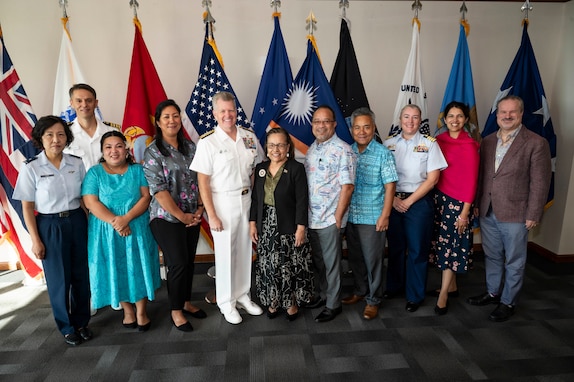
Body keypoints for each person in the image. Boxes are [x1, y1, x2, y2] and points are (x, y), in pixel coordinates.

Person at [467, 95, 551, 322]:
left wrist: (534, 213)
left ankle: (508, 302)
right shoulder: (488, 141)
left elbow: (540, 182)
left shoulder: (536, 143)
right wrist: (476, 203)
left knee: (514, 260)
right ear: (497, 114)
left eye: (512, 112)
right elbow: (482, 176)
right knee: (492, 256)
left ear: (521, 114)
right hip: (487, 210)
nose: (507, 116)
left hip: (516, 213)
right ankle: (493, 292)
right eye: (503, 112)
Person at [13, 115, 92, 346]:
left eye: (60, 134)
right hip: (49, 225)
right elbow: (27, 206)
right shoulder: (31, 167)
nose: (55, 139)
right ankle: (66, 327)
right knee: (59, 279)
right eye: (49, 135)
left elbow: (85, 199)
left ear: (66, 138)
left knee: (80, 275)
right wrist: (35, 240)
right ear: (40, 138)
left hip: (77, 220)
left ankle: (81, 322)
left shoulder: (76, 163)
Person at [190, 91, 265, 325]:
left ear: (236, 111)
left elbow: (255, 169)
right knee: (225, 255)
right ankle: (225, 301)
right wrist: (211, 214)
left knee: (245, 250)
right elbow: (203, 181)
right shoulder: (208, 141)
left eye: (231, 110)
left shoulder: (249, 137)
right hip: (222, 202)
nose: (227, 115)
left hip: (246, 199)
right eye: (222, 111)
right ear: (214, 113)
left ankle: (243, 295)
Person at [82, 131, 160, 331]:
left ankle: (142, 311)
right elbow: (90, 202)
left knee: (138, 266)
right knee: (115, 266)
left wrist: (126, 219)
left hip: (136, 226)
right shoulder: (94, 173)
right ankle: (127, 310)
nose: (113, 151)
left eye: (118, 146)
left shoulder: (138, 170)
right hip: (105, 231)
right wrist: (116, 222)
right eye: (108, 146)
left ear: (126, 150)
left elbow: (146, 197)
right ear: (102, 151)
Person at [143, 99, 206, 332]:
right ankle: (176, 311)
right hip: (166, 217)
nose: (172, 120)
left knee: (188, 261)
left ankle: (186, 302)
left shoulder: (191, 148)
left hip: (192, 215)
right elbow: (158, 191)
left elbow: (201, 179)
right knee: (177, 262)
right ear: (158, 122)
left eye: (175, 116)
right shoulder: (153, 152)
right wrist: (181, 216)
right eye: (166, 117)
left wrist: (199, 208)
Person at [383, 104, 447, 313]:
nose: (410, 121)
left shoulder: (430, 144)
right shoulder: (388, 144)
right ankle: (394, 286)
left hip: (418, 202)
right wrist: (393, 201)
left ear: (421, 121)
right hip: (393, 201)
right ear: (400, 119)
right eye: (406, 117)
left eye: (415, 117)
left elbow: (433, 179)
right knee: (396, 247)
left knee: (418, 250)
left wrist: (408, 202)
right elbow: (381, 176)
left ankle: (415, 295)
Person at [249, 128, 313, 321]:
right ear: (266, 147)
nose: (276, 149)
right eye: (271, 144)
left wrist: (301, 227)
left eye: (280, 144)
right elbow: (255, 200)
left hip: (288, 224)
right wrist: (253, 223)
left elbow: (302, 200)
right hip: (266, 225)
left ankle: (291, 302)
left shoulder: (296, 168)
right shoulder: (260, 168)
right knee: (269, 265)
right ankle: (274, 300)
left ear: (287, 147)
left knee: (288, 265)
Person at [343, 108, 397, 320]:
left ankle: (373, 299)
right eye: (357, 127)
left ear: (373, 128)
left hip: (373, 216)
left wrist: (385, 216)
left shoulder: (383, 153)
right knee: (355, 257)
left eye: (366, 127)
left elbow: (390, 187)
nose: (362, 131)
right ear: (352, 129)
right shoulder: (348, 151)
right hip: (351, 215)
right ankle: (360, 290)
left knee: (373, 260)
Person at [304, 105, 356, 323]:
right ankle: (324, 295)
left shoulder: (343, 150)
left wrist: (338, 217)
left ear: (334, 124)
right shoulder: (311, 149)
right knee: (319, 261)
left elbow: (348, 186)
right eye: (317, 121)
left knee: (332, 262)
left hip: (330, 219)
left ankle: (333, 304)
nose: (321, 125)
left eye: (325, 121)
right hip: (312, 218)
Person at [429, 102, 480, 315]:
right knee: (442, 244)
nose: (455, 120)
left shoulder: (470, 145)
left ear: (466, 120)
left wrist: (465, 212)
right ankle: (452, 286)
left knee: (451, 245)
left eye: (460, 116)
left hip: (459, 203)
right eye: (451, 116)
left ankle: (443, 296)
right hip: (439, 199)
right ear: (445, 118)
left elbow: (472, 181)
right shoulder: (437, 141)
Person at [64, 83, 119, 170]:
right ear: (71, 103)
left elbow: (125, 162)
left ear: (96, 103)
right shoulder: (64, 134)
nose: (84, 105)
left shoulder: (112, 131)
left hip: (110, 182)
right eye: (79, 101)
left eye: (89, 100)